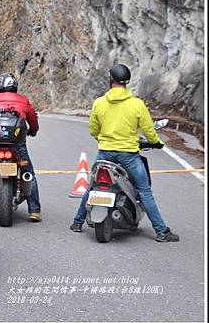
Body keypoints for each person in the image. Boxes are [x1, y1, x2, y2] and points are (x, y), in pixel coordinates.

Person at [70, 63, 179, 242]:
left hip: (105, 153)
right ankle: (161, 231)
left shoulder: (99, 103)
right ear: (127, 82)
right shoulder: (137, 104)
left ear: (111, 80)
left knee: (92, 187)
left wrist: (103, 140)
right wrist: (156, 143)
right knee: (144, 191)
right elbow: (149, 130)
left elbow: (93, 130)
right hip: (129, 155)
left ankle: (77, 222)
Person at [0, 72, 42, 222]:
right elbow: (33, 119)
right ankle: (34, 210)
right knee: (28, 173)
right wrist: (33, 130)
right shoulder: (23, 100)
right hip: (17, 145)